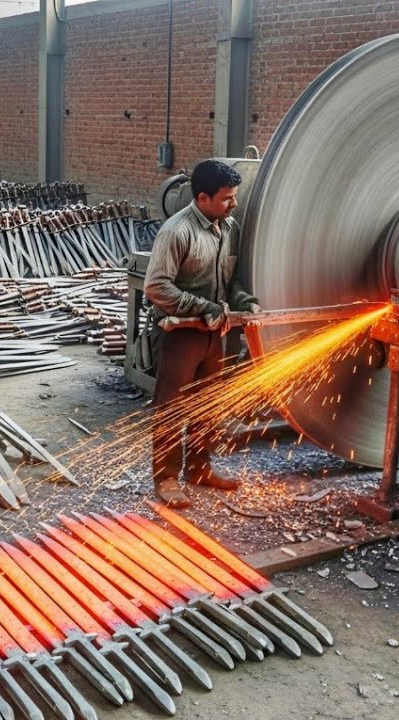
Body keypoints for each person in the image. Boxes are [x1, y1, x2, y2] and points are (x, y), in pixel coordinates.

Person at [143, 159, 260, 508]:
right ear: (202, 198)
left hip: (214, 334)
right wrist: (202, 306)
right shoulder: (177, 232)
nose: (234, 204)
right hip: (180, 335)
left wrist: (244, 301)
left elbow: (230, 280)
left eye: (234, 197)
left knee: (206, 406)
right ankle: (166, 479)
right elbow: (156, 286)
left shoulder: (228, 227)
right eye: (227, 198)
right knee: (171, 408)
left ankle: (199, 469)